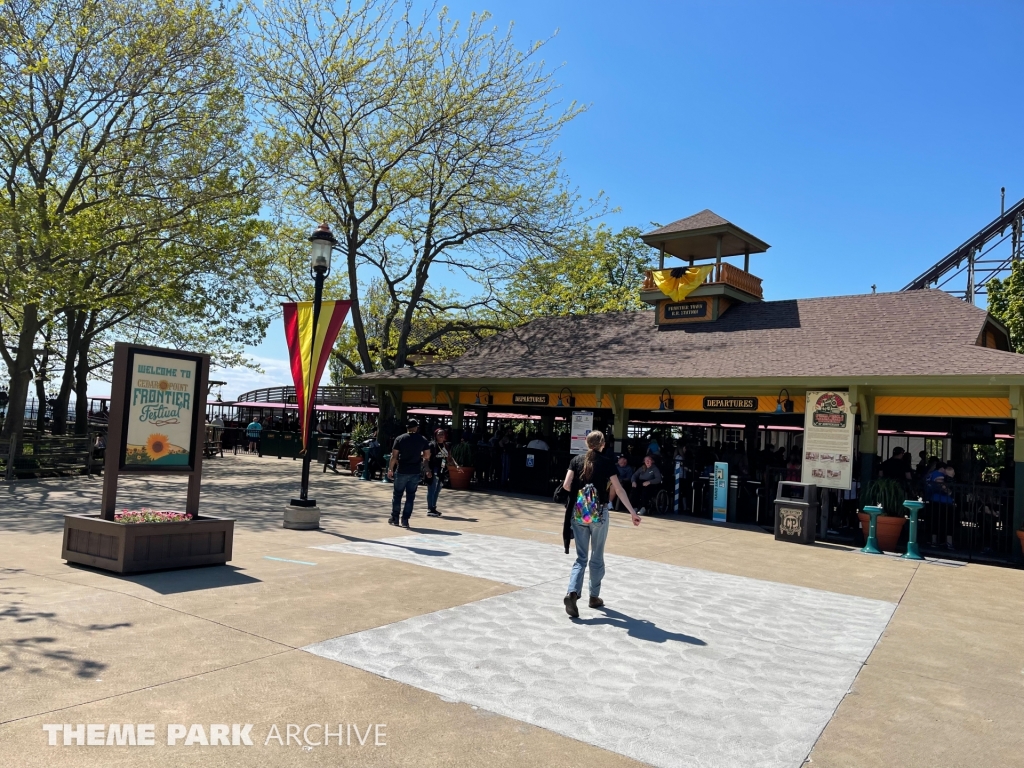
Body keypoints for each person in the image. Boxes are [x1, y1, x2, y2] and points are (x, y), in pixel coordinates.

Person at [560, 430, 641, 618]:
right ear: (602, 444)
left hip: (579, 513)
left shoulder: (576, 460)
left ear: (587, 443)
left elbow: (566, 485)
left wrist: (581, 495)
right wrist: (632, 512)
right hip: (599, 513)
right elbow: (618, 489)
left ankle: (572, 593)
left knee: (581, 558)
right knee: (596, 556)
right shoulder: (606, 462)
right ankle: (594, 596)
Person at [387, 419, 431, 529]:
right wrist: (418, 456)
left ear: (407, 427)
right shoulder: (422, 439)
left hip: (402, 470)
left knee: (397, 495)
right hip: (415, 471)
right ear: (416, 428)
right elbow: (427, 455)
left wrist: (390, 469)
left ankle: (395, 518)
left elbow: (394, 456)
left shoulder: (400, 438)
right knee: (410, 497)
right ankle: (405, 520)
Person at [425, 428, 450, 517]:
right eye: (439, 434)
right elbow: (426, 458)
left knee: (438, 489)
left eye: (442, 434)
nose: (441, 435)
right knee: (432, 488)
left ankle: (433, 507)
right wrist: (427, 470)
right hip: (433, 469)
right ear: (435, 435)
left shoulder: (446, 446)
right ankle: (430, 509)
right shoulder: (432, 445)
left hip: (442, 470)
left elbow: (448, 458)